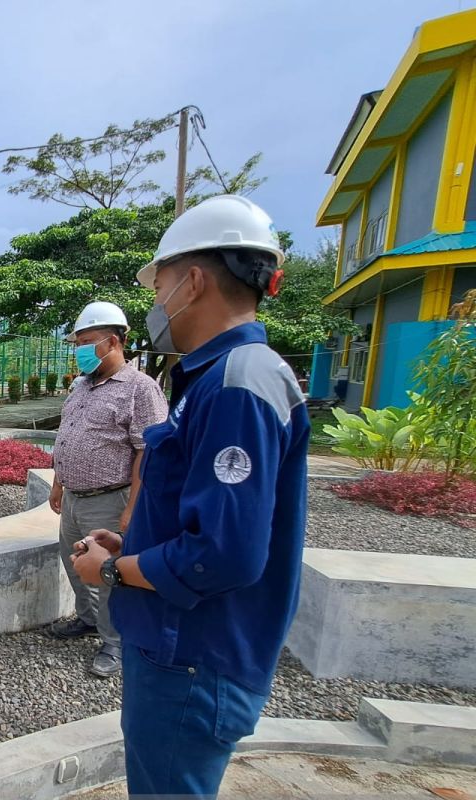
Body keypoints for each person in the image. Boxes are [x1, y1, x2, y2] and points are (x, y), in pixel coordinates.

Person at [71, 194, 310, 797]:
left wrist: (116, 572)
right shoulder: (218, 377)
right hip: (179, 648)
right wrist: (133, 538)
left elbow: (224, 553)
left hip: (192, 656)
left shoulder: (238, 384)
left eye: (160, 288)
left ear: (194, 281)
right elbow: (199, 510)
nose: (156, 305)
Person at [45, 301, 167, 678]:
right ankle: (86, 619)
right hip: (74, 499)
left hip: (110, 500)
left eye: (86, 342)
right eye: (77, 343)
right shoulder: (81, 386)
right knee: (75, 563)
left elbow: (148, 452)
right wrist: (58, 483)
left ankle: (114, 644)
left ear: (113, 341)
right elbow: (66, 437)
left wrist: (132, 508)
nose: (79, 350)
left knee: (111, 573)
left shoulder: (140, 389)